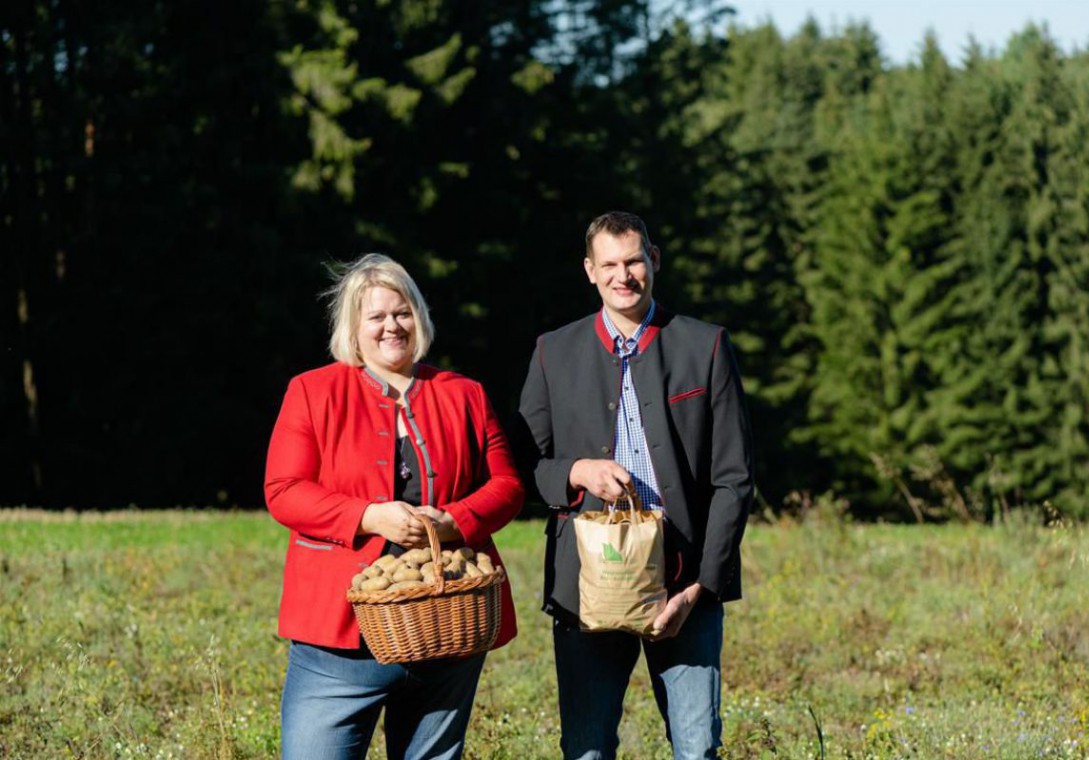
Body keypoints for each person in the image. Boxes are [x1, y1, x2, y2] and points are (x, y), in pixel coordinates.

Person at [514, 211, 755, 759]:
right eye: (610, 265)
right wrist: (575, 472)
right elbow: (524, 464)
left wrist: (700, 589)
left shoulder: (706, 346)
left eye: (634, 261)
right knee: (587, 748)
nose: (623, 275)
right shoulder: (554, 352)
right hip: (586, 587)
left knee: (697, 750)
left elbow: (734, 479)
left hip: (684, 581)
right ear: (589, 271)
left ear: (654, 261)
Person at [265, 253, 524, 760]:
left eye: (402, 312)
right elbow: (284, 489)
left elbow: (508, 485)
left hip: (444, 627)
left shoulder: (464, 394)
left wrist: (455, 522)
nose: (391, 326)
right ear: (353, 327)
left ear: (419, 317)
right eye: (376, 316)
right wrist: (367, 516)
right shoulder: (312, 391)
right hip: (336, 639)